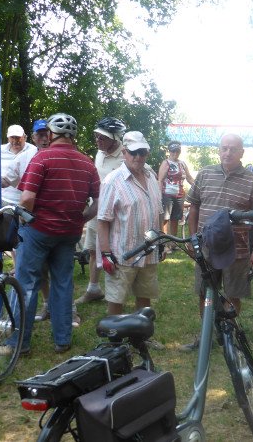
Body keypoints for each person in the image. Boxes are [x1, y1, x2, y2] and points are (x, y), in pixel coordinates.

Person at [0, 113, 100, 355]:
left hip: (38, 231)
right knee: (63, 283)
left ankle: (19, 342)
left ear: (52, 134)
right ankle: (62, 340)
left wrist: (26, 220)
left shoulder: (42, 157)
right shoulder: (88, 163)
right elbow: (98, 202)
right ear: (73, 136)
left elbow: (27, 198)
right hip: (69, 233)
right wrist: (81, 218)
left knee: (27, 284)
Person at [180, 134, 253, 351]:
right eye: (224, 148)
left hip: (237, 250)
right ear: (219, 150)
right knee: (205, 292)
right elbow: (193, 206)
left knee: (233, 293)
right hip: (206, 247)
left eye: (233, 149)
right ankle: (205, 337)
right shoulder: (204, 174)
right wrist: (193, 239)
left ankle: (228, 336)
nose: (228, 152)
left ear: (242, 152)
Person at [96, 131, 165, 349]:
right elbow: (103, 220)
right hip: (122, 253)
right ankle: (114, 341)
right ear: (124, 152)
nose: (138, 157)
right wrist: (106, 253)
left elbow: (159, 211)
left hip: (149, 251)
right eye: (134, 152)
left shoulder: (152, 176)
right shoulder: (113, 180)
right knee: (116, 299)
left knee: (144, 297)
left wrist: (161, 242)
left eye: (143, 152)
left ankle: (142, 337)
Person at [74, 117, 128, 305]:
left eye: (102, 138)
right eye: (97, 136)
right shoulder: (100, 153)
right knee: (91, 249)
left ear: (115, 138)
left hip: (117, 213)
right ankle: (93, 288)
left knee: (116, 251)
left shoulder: (126, 155)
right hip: (97, 208)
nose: (98, 141)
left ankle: (117, 293)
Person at [157, 141, 194, 249]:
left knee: (175, 218)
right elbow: (160, 180)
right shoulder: (166, 163)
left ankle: (173, 242)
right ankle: (163, 242)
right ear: (169, 151)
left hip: (179, 195)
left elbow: (189, 178)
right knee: (165, 218)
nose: (175, 153)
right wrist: (159, 196)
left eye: (177, 151)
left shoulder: (182, 163)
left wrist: (198, 187)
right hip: (167, 194)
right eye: (173, 151)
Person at [0, 124, 37, 205]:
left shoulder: (32, 151)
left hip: (22, 200)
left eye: (18, 137)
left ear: (24, 137)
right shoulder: (0, 150)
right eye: (12, 137)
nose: (15, 140)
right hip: (2, 198)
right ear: (8, 138)